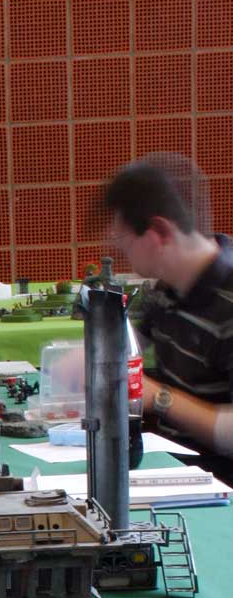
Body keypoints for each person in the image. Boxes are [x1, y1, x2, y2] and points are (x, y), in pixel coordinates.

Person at [104, 153, 233, 480]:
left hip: (217, 487)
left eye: (124, 240)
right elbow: (125, 347)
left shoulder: (228, 302)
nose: (122, 251)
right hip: (172, 470)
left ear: (158, 232)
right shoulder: (168, 288)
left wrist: (160, 399)